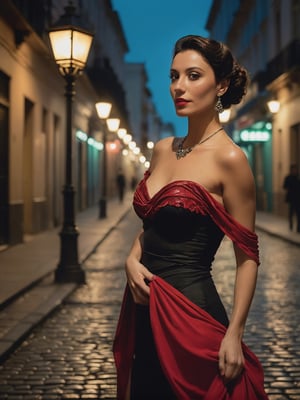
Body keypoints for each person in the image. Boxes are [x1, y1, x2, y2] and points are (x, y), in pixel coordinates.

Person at [113, 35, 268, 399]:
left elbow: (247, 256)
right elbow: (152, 224)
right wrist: (131, 259)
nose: (179, 87)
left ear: (222, 85)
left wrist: (234, 333)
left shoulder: (230, 160)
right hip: (143, 310)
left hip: (191, 315)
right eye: (173, 76)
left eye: (193, 75)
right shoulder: (163, 149)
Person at [283, 164, 300, 232]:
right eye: (293, 169)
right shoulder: (288, 178)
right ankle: (291, 225)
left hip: (298, 198)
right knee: (291, 213)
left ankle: (298, 228)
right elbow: (284, 186)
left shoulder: (298, 177)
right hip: (291, 198)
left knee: (298, 214)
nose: (294, 171)